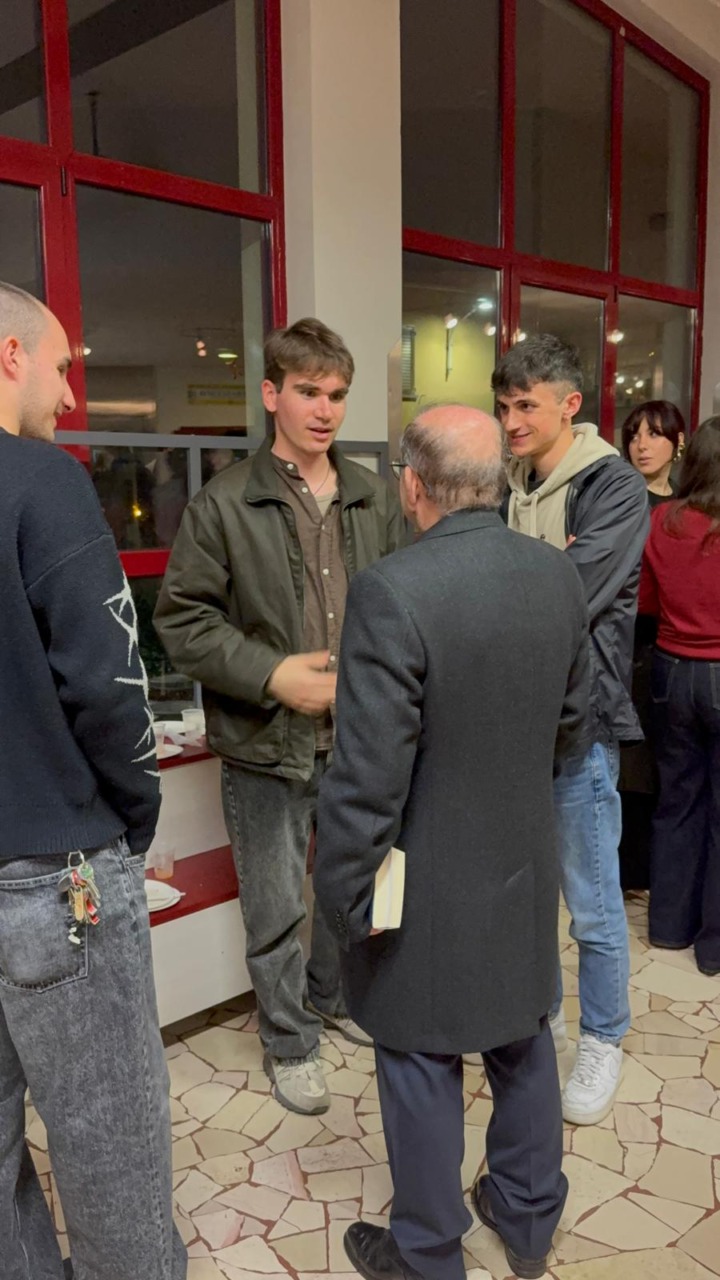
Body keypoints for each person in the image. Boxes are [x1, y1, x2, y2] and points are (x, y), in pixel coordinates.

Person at [314, 404, 590, 1280]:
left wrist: (342, 897)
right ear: (497, 482)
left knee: (419, 1055)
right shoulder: (556, 575)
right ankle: (528, 1220)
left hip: (423, 875)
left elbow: (367, 778)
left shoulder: (392, 589)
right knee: (522, 1037)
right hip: (523, 859)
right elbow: (575, 722)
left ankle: (428, 1253)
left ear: (412, 486)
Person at [154, 317, 405, 1116]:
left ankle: (333, 1000)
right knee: (274, 910)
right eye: (308, 392)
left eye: (337, 394)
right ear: (271, 394)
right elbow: (182, 621)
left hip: (359, 738)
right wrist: (271, 675)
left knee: (347, 891)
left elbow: (402, 604)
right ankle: (290, 1042)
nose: (325, 410)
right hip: (265, 744)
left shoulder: (371, 496)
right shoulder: (224, 502)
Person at [0, 282, 186, 1279]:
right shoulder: (44, 482)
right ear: (10, 355)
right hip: (53, 874)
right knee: (112, 1152)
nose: (71, 395)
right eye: (63, 366)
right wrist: (133, 816)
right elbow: (110, 686)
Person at [494, 334, 649, 1125]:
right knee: (529, 898)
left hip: (579, 726)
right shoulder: (514, 487)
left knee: (591, 902)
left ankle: (604, 1036)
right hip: (513, 724)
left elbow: (565, 595)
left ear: (569, 404)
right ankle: (543, 1017)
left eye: (527, 405)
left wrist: (501, 587)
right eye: (504, 406)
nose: (512, 421)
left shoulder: (613, 486)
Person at [639, 417, 720, 975]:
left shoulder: (662, 520)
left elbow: (645, 602)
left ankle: (669, 926)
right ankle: (713, 946)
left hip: (670, 672)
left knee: (677, 801)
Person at [618, 401, 686, 891]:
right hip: (628, 638)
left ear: (678, 444)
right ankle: (630, 869)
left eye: (654, 434)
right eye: (634, 434)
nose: (641, 445)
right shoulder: (621, 500)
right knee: (630, 758)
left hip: (672, 643)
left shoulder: (686, 503)